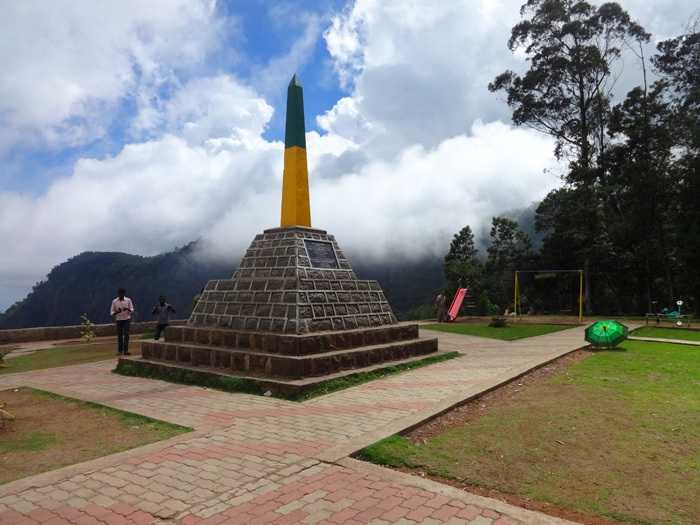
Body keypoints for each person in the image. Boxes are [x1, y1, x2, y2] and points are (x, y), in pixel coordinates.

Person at [110, 288, 134, 355]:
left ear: (124, 294)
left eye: (122, 293)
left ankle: (126, 350)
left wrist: (127, 309)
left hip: (127, 319)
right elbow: (111, 313)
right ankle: (120, 351)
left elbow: (132, 309)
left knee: (126, 334)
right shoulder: (114, 301)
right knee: (120, 335)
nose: (121, 295)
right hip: (119, 320)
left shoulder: (128, 300)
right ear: (118, 294)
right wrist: (117, 312)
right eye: (120, 293)